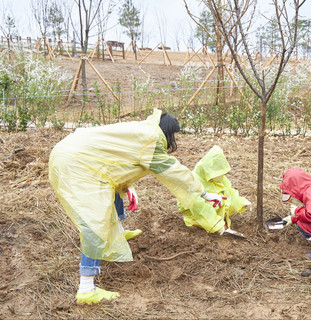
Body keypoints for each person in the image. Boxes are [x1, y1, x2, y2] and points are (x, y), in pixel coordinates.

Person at [48, 109, 226, 304]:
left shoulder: (143, 131)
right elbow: (175, 172)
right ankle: (86, 289)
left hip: (76, 154)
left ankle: (118, 232)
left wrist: (127, 185)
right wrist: (204, 193)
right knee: (94, 222)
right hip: (75, 163)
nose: (175, 139)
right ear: (167, 131)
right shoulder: (151, 141)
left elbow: (115, 156)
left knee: (111, 194)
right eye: (175, 135)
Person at [178, 145, 251, 231]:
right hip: (195, 209)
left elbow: (229, 191)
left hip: (208, 204)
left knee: (225, 200)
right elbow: (198, 206)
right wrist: (216, 225)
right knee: (203, 213)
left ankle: (216, 220)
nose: (221, 176)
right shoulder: (194, 180)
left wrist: (241, 202)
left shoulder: (218, 177)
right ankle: (196, 222)